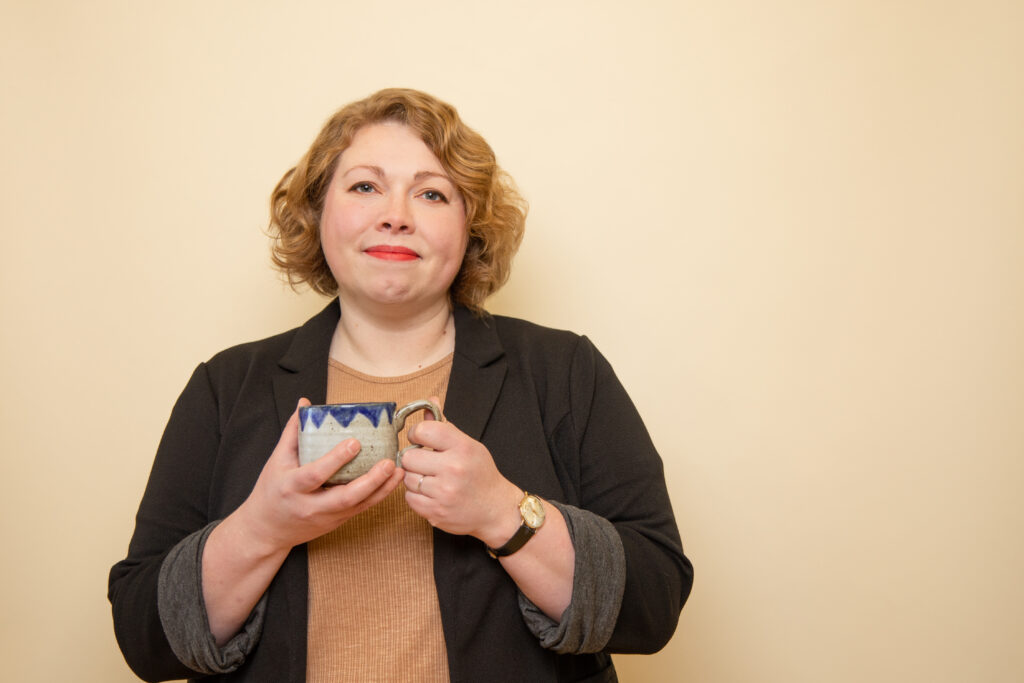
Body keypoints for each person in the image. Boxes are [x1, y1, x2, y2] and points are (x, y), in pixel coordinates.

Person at [109, 88, 692, 682]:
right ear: (317, 212)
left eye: (432, 193)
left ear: (471, 228)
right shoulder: (225, 387)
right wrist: (263, 527)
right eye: (365, 186)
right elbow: (142, 639)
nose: (396, 215)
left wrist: (502, 511)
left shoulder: (565, 370)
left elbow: (655, 603)